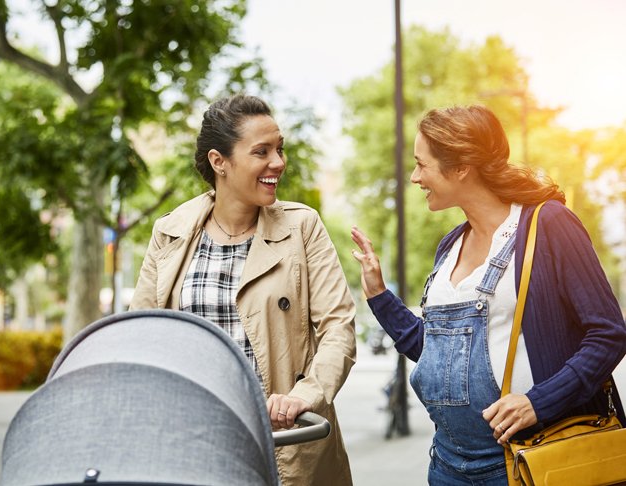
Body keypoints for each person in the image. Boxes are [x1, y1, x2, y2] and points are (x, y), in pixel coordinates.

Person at [351, 105, 626, 485]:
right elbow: (439, 356)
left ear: (461, 167)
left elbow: (609, 333)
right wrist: (380, 297)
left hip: (529, 459)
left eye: (421, 164)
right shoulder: (450, 246)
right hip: (448, 467)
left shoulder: (547, 225)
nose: (414, 177)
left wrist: (538, 402)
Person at [130, 94, 357, 485]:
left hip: (286, 438)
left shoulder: (302, 228)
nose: (278, 163)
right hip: (197, 441)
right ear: (220, 162)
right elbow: (142, 336)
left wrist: (305, 395)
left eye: (280, 149)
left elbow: (339, 328)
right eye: (261, 152)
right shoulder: (171, 231)